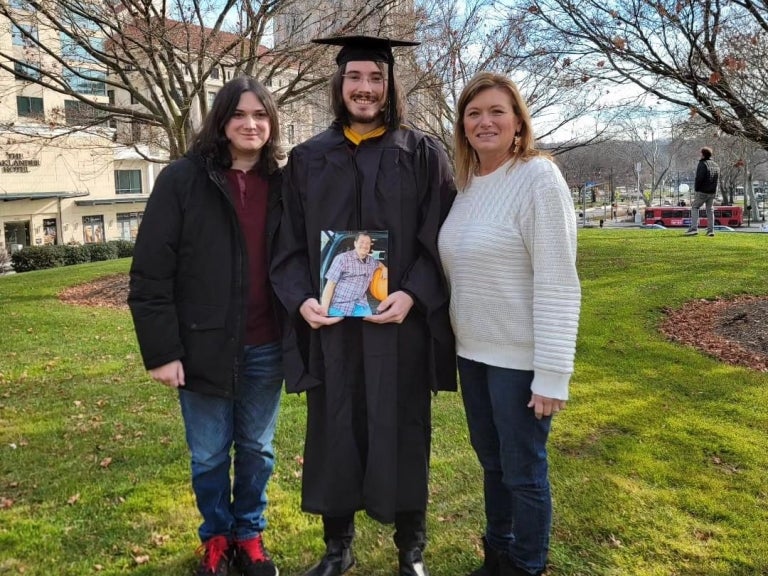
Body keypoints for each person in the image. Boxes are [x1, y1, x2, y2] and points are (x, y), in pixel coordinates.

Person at [270, 35, 457, 576]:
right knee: (335, 428)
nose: (366, 89)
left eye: (376, 78)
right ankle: (338, 548)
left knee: (405, 428)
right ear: (340, 84)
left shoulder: (422, 154)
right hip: (333, 328)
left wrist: (414, 293)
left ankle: (411, 552)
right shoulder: (306, 160)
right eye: (355, 77)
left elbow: (442, 236)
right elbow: (285, 246)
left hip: (398, 325)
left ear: (390, 85)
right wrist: (302, 300)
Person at [128, 77, 285, 576]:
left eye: (261, 114)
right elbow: (151, 271)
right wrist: (162, 351)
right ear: (220, 120)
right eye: (239, 114)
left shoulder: (285, 183)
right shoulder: (181, 179)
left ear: (272, 123)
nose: (251, 123)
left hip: (267, 344)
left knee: (258, 451)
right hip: (201, 347)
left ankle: (250, 535)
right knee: (209, 455)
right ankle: (217, 537)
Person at [438, 72, 581, 576]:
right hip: (472, 353)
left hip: (519, 360)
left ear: (518, 121)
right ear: (462, 125)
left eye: (497, 111)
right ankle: (497, 553)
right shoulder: (467, 185)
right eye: (474, 113)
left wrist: (552, 374)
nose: (485, 122)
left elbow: (559, 279)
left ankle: (526, 565)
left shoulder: (539, 178)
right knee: (492, 464)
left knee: (522, 472)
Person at [321, 231, 385, 317]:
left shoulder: (372, 261)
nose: (365, 245)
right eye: (362, 242)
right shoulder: (342, 258)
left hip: (361, 304)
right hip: (339, 306)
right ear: (355, 243)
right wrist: (324, 312)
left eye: (368, 243)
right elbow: (330, 286)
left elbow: (380, 264)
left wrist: (385, 268)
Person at [685, 147, 720, 236]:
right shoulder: (716, 165)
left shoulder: (702, 164)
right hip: (712, 192)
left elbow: (699, 178)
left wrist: (696, 189)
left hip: (702, 191)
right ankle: (710, 231)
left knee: (695, 207)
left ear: (703, 154)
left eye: (700, 153)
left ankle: (694, 228)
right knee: (710, 210)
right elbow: (717, 179)